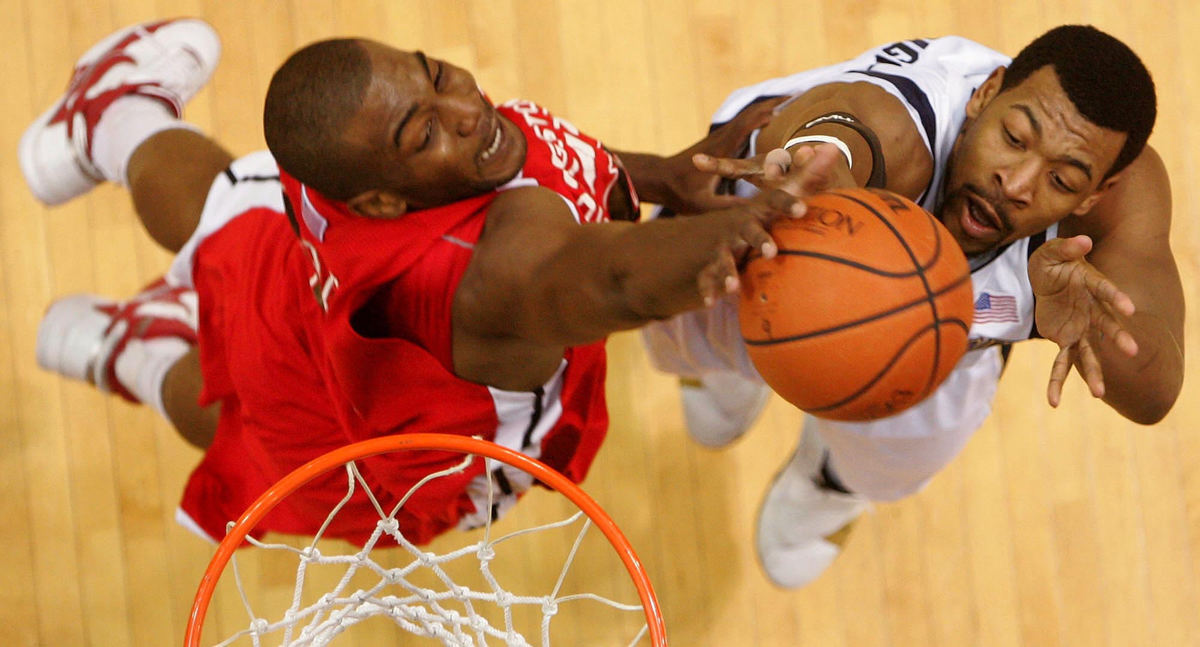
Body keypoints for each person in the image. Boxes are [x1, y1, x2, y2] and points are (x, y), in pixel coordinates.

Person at [22, 18, 838, 546]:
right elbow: (603, 275)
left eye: (436, 74)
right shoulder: (491, 283)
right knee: (250, 437)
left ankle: (116, 115)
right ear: (382, 197)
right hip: (385, 429)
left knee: (224, 212)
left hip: (307, 287)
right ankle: (131, 347)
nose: (464, 111)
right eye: (423, 130)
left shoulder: (365, 165)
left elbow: (564, 170)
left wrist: (659, 177)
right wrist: (745, 230)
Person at [641, 25, 1185, 587]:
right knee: (692, 330)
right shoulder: (907, 129)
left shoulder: (1118, 208)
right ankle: (728, 371)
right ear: (985, 95)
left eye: (1062, 179)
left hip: (937, 348)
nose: (1017, 183)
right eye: (1015, 138)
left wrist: (1095, 330)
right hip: (764, 247)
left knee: (899, 454)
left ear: (1095, 193)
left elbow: (1156, 393)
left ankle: (831, 481)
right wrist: (828, 171)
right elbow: (844, 126)